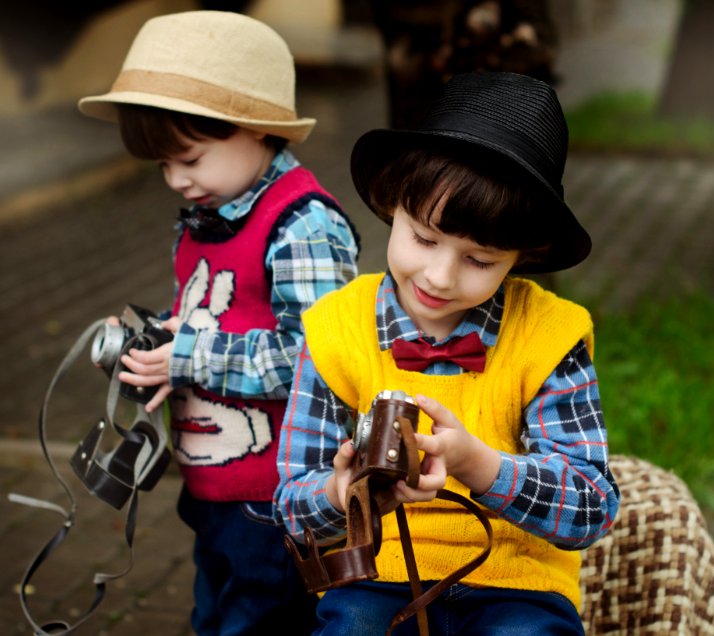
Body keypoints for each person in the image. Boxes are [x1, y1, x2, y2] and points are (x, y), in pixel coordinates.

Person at [274, 71, 619, 635]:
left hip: (517, 582)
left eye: (479, 260)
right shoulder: (337, 328)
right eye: (424, 239)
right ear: (392, 205)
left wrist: (476, 464)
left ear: (522, 256)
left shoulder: (551, 335)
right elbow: (289, 508)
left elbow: (591, 508)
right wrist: (341, 491)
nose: (439, 276)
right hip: (377, 574)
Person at [77, 11, 359, 635]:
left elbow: (323, 359)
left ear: (258, 130)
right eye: (162, 167)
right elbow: (212, 318)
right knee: (218, 610)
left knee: (257, 620)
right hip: (213, 485)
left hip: (276, 493)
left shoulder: (302, 226)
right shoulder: (212, 211)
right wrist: (151, 340)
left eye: (190, 158)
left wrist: (190, 357)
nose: (177, 180)